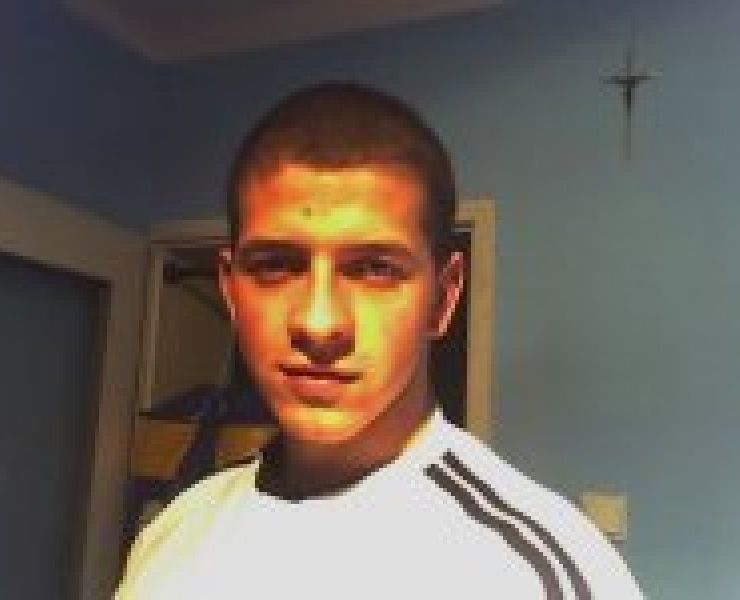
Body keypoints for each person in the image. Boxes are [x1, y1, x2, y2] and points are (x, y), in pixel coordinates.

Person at [115, 82, 644, 599]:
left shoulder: (539, 576)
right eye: (276, 265)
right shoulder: (173, 531)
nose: (320, 323)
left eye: (375, 269)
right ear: (231, 291)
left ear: (442, 299)